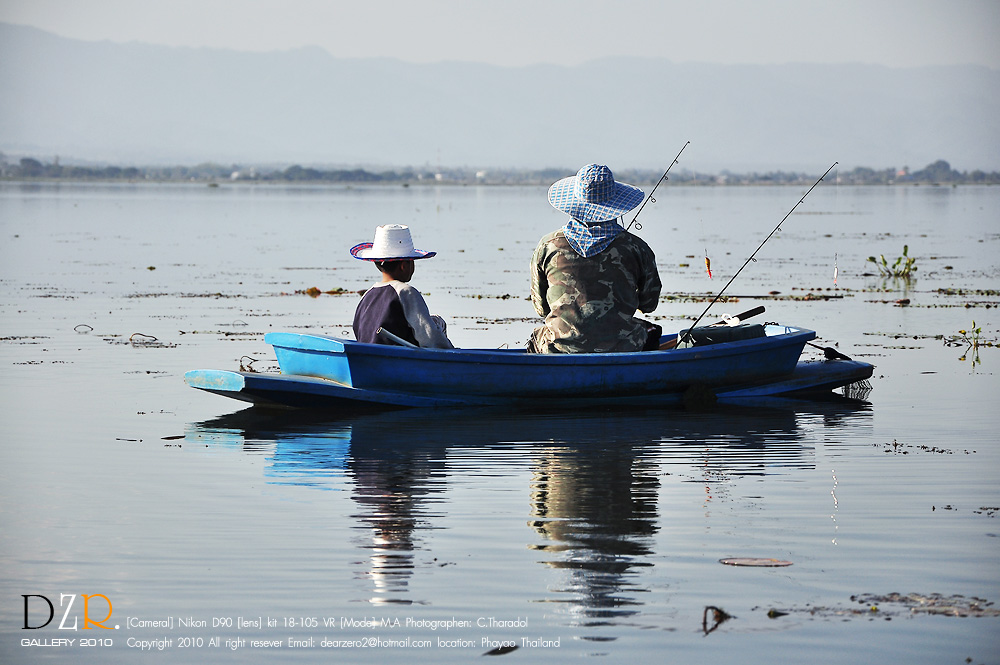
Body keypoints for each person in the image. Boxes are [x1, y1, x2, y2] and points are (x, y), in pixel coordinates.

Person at [529, 163, 662, 354]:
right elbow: (649, 304)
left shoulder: (547, 245)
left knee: (538, 336)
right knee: (650, 332)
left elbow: (541, 309)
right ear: (615, 204)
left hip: (558, 348)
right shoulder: (637, 247)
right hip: (624, 346)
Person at [351, 224, 455, 349]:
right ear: (404, 266)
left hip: (367, 355)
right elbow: (430, 337)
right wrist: (451, 351)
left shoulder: (367, 295)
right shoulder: (406, 292)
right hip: (398, 359)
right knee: (439, 322)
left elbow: (358, 330)